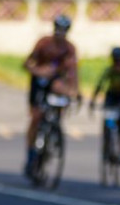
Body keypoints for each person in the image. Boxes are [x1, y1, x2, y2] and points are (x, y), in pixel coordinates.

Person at [24, 15, 79, 174]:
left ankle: (53, 134)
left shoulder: (69, 48)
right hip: (39, 82)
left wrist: (74, 90)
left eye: (64, 30)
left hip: (55, 83)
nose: (60, 33)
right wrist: (39, 71)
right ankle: (31, 153)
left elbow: (73, 71)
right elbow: (28, 63)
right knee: (36, 117)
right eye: (58, 29)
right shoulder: (44, 43)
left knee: (60, 101)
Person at [91, 46, 120, 159]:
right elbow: (100, 85)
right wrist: (93, 100)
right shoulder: (109, 70)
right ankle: (106, 145)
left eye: (119, 60)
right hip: (111, 96)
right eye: (115, 60)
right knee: (107, 121)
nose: (117, 63)